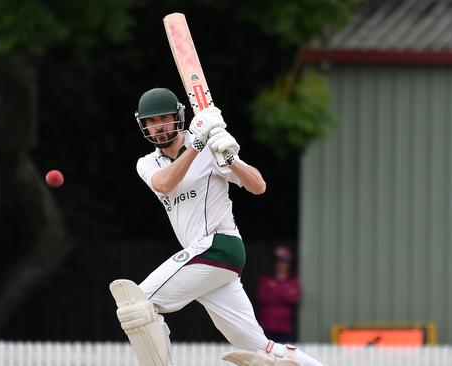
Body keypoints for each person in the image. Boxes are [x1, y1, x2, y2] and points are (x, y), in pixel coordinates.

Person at [110, 88, 322, 366]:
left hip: (219, 245)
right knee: (260, 348)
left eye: (164, 118)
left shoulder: (210, 151)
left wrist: (231, 158)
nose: (158, 126)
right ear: (143, 125)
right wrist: (197, 145)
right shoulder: (148, 163)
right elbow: (164, 183)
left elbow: (258, 186)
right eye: (151, 121)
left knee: (139, 304)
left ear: (178, 117)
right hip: (208, 262)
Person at [256, 245, 301, 344]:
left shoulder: (293, 281)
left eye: (285, 262)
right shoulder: (265, 280)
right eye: (279, 261)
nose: (281, 265)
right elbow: (262, 298)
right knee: (267, 355)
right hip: (267, 325)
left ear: (289, 264)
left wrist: (274, 292)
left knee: (285, 356)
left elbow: (294, 299)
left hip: (285, 327)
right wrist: (284, 293)